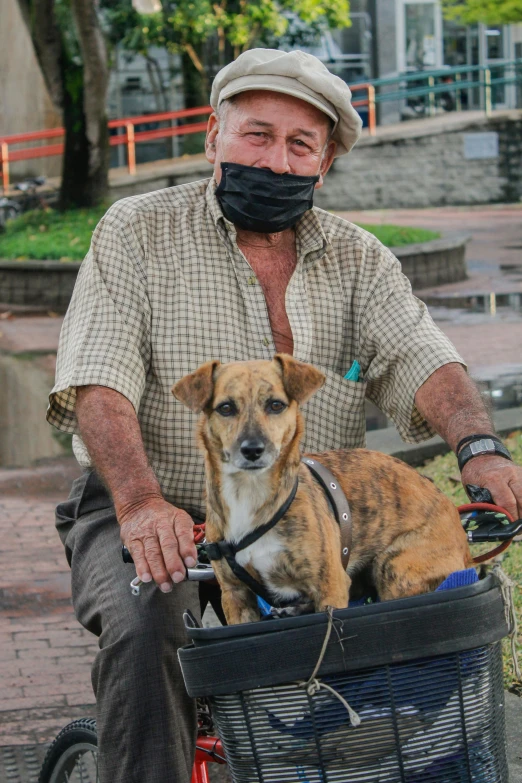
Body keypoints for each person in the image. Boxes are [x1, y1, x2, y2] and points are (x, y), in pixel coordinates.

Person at [47, 48, 522, 783]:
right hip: (149, 498)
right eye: (256, 135)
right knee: (149, 627)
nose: (274, 161)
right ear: (213, 137)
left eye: (300, 144)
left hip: (312, 513)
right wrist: (140, 504)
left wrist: (481, 447)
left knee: (412, 642)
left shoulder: (359, 259)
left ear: (324, 162)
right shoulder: (137, 231)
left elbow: (423, 357)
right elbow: (96, 384)